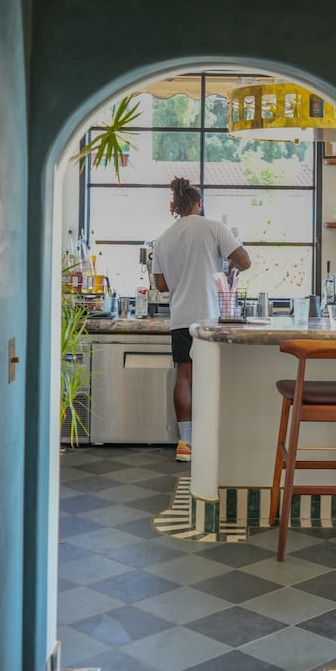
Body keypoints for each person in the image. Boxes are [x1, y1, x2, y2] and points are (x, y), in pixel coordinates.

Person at [152, 177, 251, 462]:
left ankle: (185, 444)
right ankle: (210, 439)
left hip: (181, 316)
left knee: (184, 376)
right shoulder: (214, 228)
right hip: (210, 316)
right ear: (200, 204)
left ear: (177, 206)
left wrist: (183, 275)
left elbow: (161, 285)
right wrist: (227, 265)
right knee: (211, 376)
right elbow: (245, 261)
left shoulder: (163, 239)